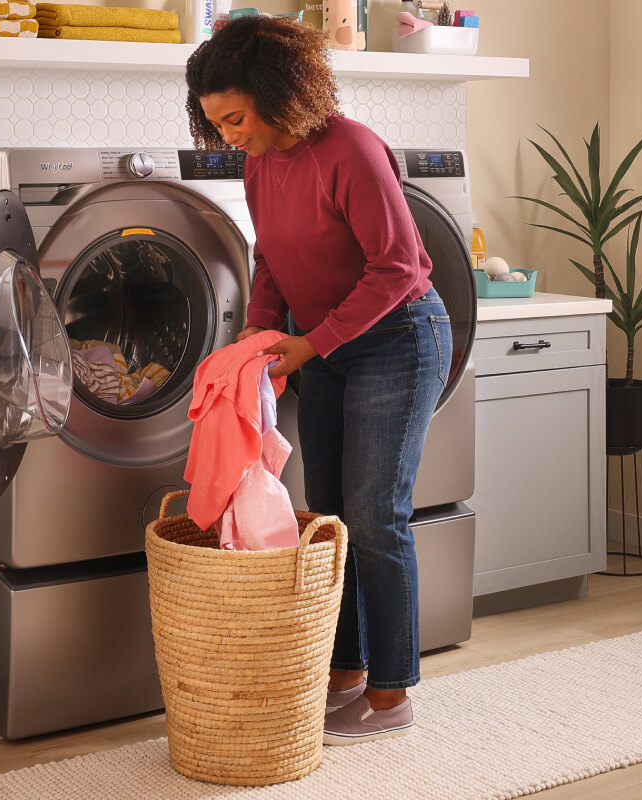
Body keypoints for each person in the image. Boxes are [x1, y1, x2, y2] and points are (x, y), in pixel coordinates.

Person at [184, 15, 453, 746]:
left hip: (397, 339)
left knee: (375, 515)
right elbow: (271, 259)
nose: (229, 135)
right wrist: (261, 330)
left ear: (277, 94)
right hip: (320, 342)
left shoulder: (352, 150)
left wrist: (311, 344)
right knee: (326, 512)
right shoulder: (259, 162)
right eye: (215, 123)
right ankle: (344, 675)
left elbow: (397, 269)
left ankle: (394, 695)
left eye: (236, 118)